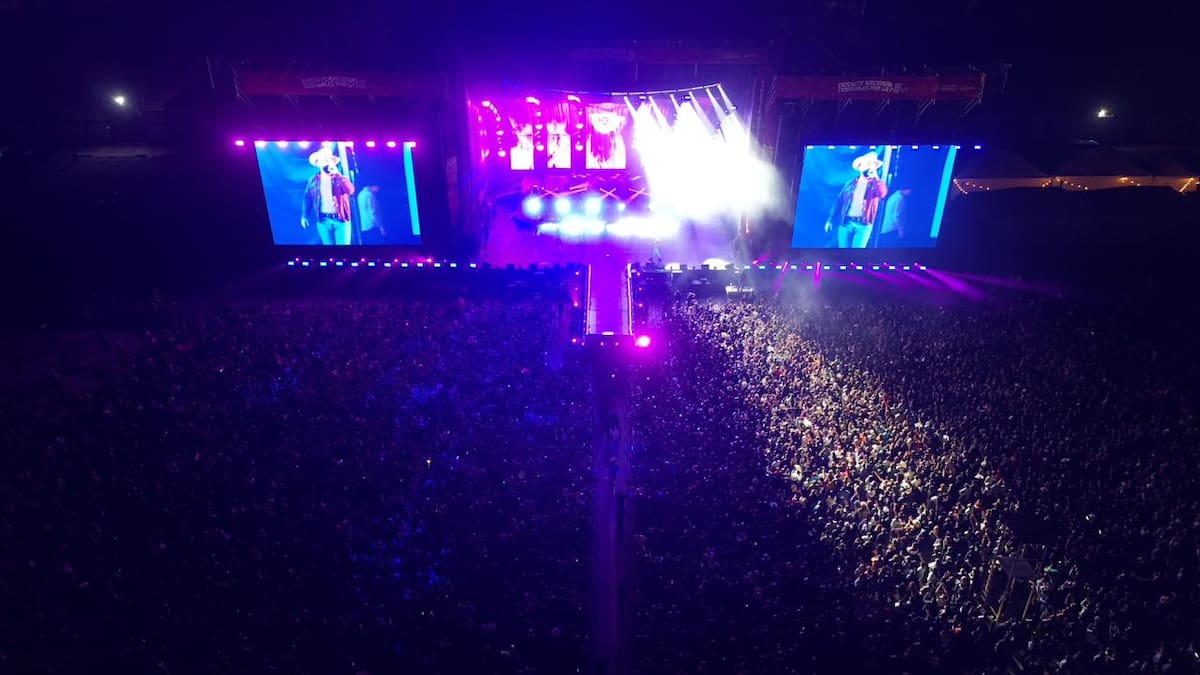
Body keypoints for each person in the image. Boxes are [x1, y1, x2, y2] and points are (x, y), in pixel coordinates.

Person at [824, 151, 888, 248]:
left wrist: (875, 177)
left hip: (863, 226)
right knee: (843, 256)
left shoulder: (875, 184)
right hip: (846, 223)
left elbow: (882, 193)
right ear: (860, 167)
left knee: (856, 256)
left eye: (872, 164)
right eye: (868, 163)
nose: (870, 166)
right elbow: (839, 201)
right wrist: (830, 219)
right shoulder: (850, 184)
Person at [301, 146, 355, 245]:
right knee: (329, 252)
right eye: (323, 159)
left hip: (341, 221)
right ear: (318, 162)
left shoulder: (339, 177)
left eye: (328, 159)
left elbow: (350, 190)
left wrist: (338, 174)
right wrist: (304, 215)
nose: (326, 161)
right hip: (323, 221)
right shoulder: (313, 180)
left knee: (343, 253)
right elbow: (307, 198)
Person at [876, 183, 910, 248]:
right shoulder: (900, 198)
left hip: (886, 229)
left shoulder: (893, 196)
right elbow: (896, 216)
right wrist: (900, 230)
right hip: (892, 230)